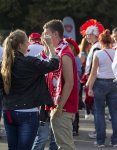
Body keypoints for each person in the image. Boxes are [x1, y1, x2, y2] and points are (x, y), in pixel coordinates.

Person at [0, 29, 59, 150]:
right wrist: (50, 46)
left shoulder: (4, 64)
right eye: (27, 41)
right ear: (21, 45)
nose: (29, 44)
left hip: (9, 111)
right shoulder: (29, 62)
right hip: (28, 112)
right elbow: (54, 64)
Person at [43, 19, 78, 150]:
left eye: (46, 34)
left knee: (65, 146)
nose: (44, 36)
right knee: (62, 145)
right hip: (60, 106)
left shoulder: (65, 54)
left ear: (55, 34)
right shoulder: (58, 51)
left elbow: (69, 83)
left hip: (63, 107)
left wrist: (59, 106)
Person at [87, 29, 117, 148]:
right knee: (114, 112)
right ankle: (115, 140)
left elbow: (93, 73)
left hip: (100, 83)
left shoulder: (98, 54)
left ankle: (100, 141)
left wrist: (89, 87)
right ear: (110, 41)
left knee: (99, 112)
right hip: (114, 83)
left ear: (101, 41)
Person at [79, 19, 105, 139]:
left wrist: (89, 81)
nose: (86, 37)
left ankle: (98, 132)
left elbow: (95, 67)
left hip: (95, 80)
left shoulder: (96, 47)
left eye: (88, 35)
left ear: (95, 35)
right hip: (95, 78)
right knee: (96, 108)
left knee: (96, 109)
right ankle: (99, 132)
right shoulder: (95, 46)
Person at [65, 38, 82, 136]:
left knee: (73, 105)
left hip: (74, 84)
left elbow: (78, 72)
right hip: (72, 83)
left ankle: (75, 127)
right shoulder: (71, 57)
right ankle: (73, 127)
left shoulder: (75, 58)